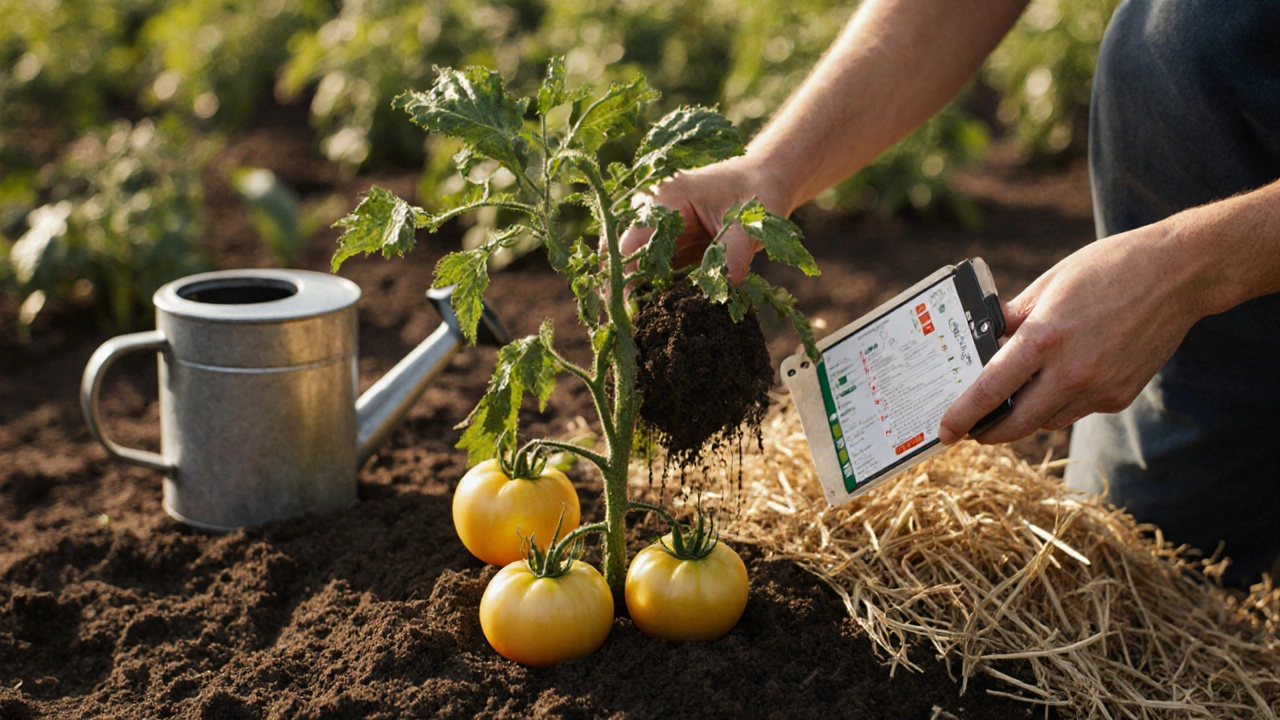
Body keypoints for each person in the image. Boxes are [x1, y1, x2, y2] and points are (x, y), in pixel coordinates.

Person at [619, 0, 1280, 585]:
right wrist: (770, 169)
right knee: (1145, 599)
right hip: (1193, 371)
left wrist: (1187, 269)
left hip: (1195, 279)